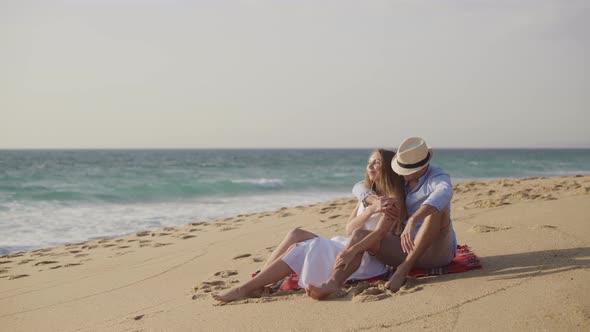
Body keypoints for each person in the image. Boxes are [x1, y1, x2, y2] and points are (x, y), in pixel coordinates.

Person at [212, 149, 405, 303]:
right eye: (369, 162)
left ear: (387, 167)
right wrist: (371, 209)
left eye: (376, 162)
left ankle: (243, 289)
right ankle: (261, 278)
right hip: (347, 242)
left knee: (303, 248)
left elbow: (378, 235)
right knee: (296, 233)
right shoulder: (368, 195)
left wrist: (352, 247)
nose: (370, 166)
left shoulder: (393, 200)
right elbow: (349, 228)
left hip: (364, 257)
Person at [306, 137, 457, 299]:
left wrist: (414, 219)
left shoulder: (437, 177)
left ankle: (403, 269)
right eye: (401, 168)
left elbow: (444, 193)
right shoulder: (402, 177)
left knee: (437, 209)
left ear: (423, 166)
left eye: (406, 170)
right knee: (359, 233)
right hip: (405, 246)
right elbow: (359, 186)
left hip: (436, 252)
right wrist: (374, 202)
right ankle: (333, 283)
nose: (401, 173)